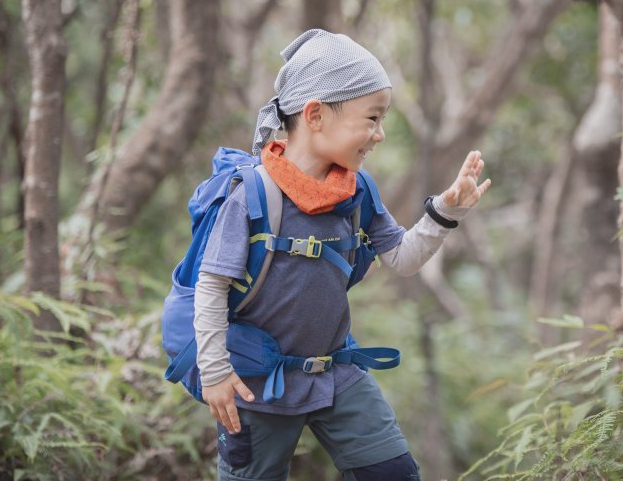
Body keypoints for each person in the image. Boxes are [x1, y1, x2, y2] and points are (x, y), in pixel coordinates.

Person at [193, 29, 490, 481]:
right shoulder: (251, 194)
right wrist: (215, 374)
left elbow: (402, 260)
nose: (380, 134)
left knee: (393, 473)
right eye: (371, 118)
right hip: (258, 385)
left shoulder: (356, 189)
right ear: (314, 115)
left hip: (337, 372)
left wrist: (445, 212)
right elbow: (211, 286)